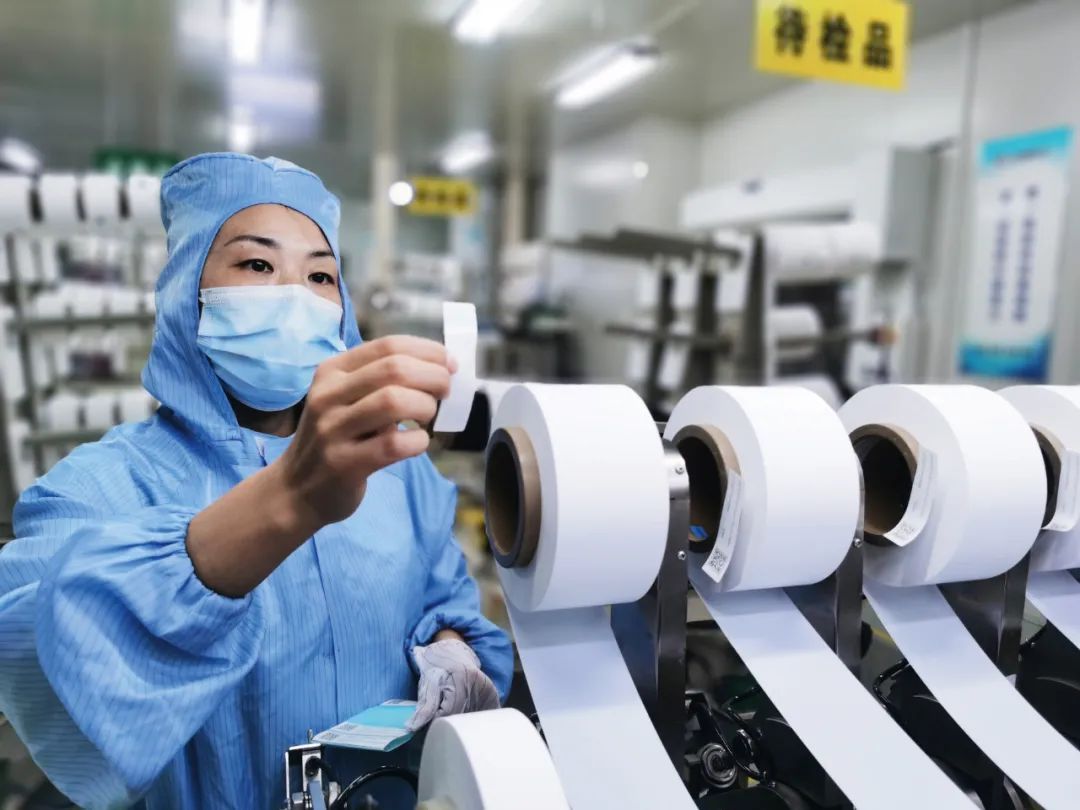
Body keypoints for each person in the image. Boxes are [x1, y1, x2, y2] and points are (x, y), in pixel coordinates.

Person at [0, 153, 513, 809]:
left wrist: (451, 650)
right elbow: (35, 658)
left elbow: (445, 599)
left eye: (321, 275)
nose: (294, 296)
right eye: (256, 265)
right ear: (187, 289)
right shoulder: (101, 486)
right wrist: (291, 496)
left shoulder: (397, 469)